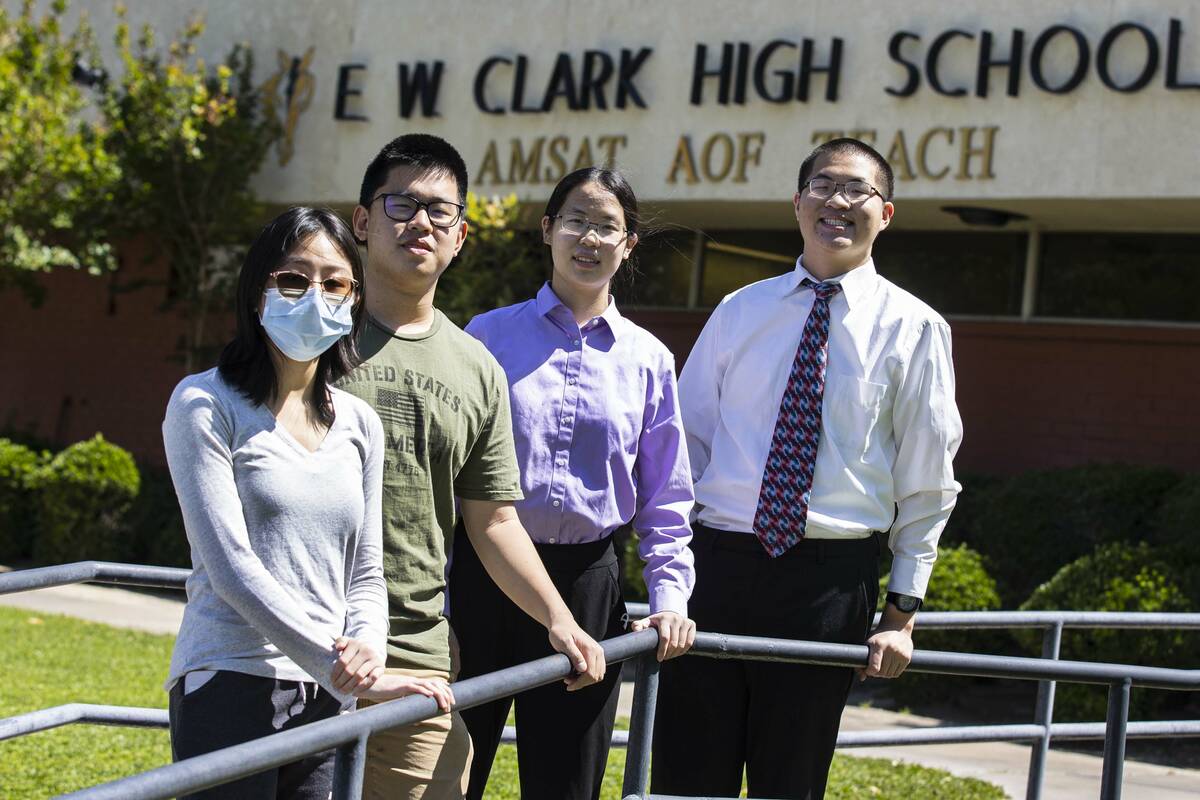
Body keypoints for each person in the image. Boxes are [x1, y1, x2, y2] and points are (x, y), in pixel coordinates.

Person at [651, 138, 964, 800]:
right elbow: (684, 450)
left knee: (789, 781)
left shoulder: (914, 328)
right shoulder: (740, 310)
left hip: (828, 584)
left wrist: (901, 612)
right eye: (823, 186)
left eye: (857, 191)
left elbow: (927, 482)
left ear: (887, 213)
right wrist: (669, 576)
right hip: (718, 566)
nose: (838, 203)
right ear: (798, 203)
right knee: (685, 774)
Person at [337, 134, 607, 800]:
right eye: (402, 204)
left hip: (414, 656)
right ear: (363, 221)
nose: (420, 222)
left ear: (461, 238)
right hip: (289, 646)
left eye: (441, 212)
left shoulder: (477, 367)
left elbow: (492, 520)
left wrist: (558, 618)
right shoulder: (308, 336)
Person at [162, 207, 452, 800]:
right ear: (256, 292)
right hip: (231, 680)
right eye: (293, 280)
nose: (314, 296)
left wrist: (367, 655)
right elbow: (230, 568)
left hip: (329, 698)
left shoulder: (359, 423)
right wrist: (337, 663)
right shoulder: (203, 402)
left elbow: (367, 570)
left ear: (353, 301)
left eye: (335, 283)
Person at [452, 167, 697, 800]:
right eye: (576, 221)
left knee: (568, 782)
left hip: (589, 584)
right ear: (548, 230)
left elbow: (666, 497)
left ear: (628, 244)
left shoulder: (649, 359)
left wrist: (670, 597)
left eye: (607, 226)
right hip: (484, 574)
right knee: (447, 774)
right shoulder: (486, 336)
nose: (590, 238)